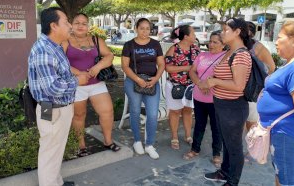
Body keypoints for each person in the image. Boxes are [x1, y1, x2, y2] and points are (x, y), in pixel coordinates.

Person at [28, 7, 88, 186]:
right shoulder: (44, 50)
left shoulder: (54, 46)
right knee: (50, 151)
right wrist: (78, 81)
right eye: (66, 22)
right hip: (52, 108)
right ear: (54, 26)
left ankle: (56, 182)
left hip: (58, 108)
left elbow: (61, 74)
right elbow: (53, 87)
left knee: (55, 149)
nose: (70, 26)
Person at [257, 21, 294, 186]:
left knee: (288, 181)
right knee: (281, 176)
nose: (275, 41)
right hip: (281, 132)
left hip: (286, 132)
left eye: (279, 37)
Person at [203, 18, 252, 186]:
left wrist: (215, 82)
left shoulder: (241, 55)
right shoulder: (229, 51)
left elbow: (239, 86)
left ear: (237, 32)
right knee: (227, 143)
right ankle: (224, 172)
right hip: (222, 105)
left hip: (233, 107)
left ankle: (232, 182)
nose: (222, 33)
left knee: (235, 148)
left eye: (225, 30)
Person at [63, 13, 120, 157]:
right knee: (79, 115)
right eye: (77, 23)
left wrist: (98, 67)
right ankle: (81, 145)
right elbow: (61, 63)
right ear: (71, 24)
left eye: (84, 23)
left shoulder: (96, 39)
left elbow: (109, 56)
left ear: (88, 25)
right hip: (76, 85)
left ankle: (108, 141)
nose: (81, 26)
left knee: (107, 112)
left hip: (96, 84)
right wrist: (79, 73)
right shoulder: (65, 41)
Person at [121, 18, 165, 159]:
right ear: (136, 28)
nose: (145, 31)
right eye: (142, 28)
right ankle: (137, 141)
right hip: (134, 81)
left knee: (152, 114)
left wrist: (156, 78)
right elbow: (125, 66)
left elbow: (161, 64)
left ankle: (149, 144)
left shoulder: (155, 44)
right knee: (135, 110)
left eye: (148, 28)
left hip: (152, 82)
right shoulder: (129, 45)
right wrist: (138, 79)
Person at [185, 30, 225, 168]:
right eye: (210, 41)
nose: (211, 44)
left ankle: (216, 153)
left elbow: (225, 75)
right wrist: (200, 84)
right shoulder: (202, 55)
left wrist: (209, 83)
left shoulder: (226, 57)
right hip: (199, 96)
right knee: (199, 124)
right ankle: (195, 149)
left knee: (216, 127)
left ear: (223, 44)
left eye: (215, 42)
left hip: (216, 98)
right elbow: (192, 71)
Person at [164, 25, 200, 150]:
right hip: (175, 86)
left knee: (188, 111)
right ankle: (174, 137)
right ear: (186, 36)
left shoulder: (195, 49)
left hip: (190, 86)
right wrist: (187, 68)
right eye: (193, 33)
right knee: (175, 111)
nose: (195, 36)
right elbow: (168, 68)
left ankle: (188, 135)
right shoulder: (173, 49)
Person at [244, 22, 276, 134]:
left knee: (251, 121)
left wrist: (257, 76)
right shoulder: (235, 45)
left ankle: (252, 149)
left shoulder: (257, 47)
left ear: (251, 33)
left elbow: (271, 67)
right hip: (236, 90)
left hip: (252, 89)